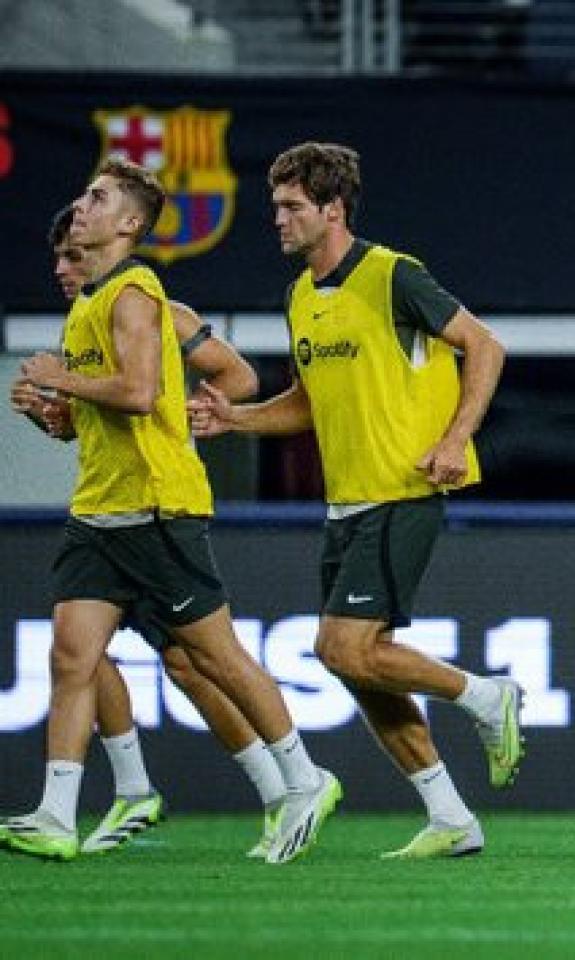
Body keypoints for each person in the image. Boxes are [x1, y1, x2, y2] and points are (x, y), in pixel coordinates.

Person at [0, 159, 339, 864]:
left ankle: (304, 779)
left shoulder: (136, 289)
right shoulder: (89, 306)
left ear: (128, 224)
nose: (82, 206)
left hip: (156, 508)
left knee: (215, 658)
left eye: (96, 198)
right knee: (71, 655)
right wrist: (52, 414)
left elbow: (137, 392)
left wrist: (61, 379)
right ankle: (57, 815)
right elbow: (91, 420)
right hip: (100, 511)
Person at [189, 142, 518, 860]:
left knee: (340, 647)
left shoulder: (393, 274)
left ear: (332, 209)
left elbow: (485, 346)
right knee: (356, 661)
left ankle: (486, 696)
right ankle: (451, 815)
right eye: (276, 205)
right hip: (346, 505)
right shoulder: (302, 296)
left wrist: (458, 437)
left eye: (290, 207)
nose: (276, 219)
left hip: (407, 487)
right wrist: (236, 419)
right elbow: (312, 400)